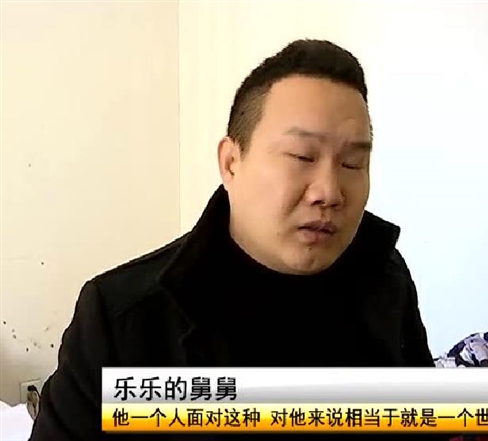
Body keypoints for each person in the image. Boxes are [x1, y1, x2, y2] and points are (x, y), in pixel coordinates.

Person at [30, 39, 439, 440]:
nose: (329, 192)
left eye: (353, 163)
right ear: (230, 162)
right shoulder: (121, 320)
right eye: (302, 156)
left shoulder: (385, 277)